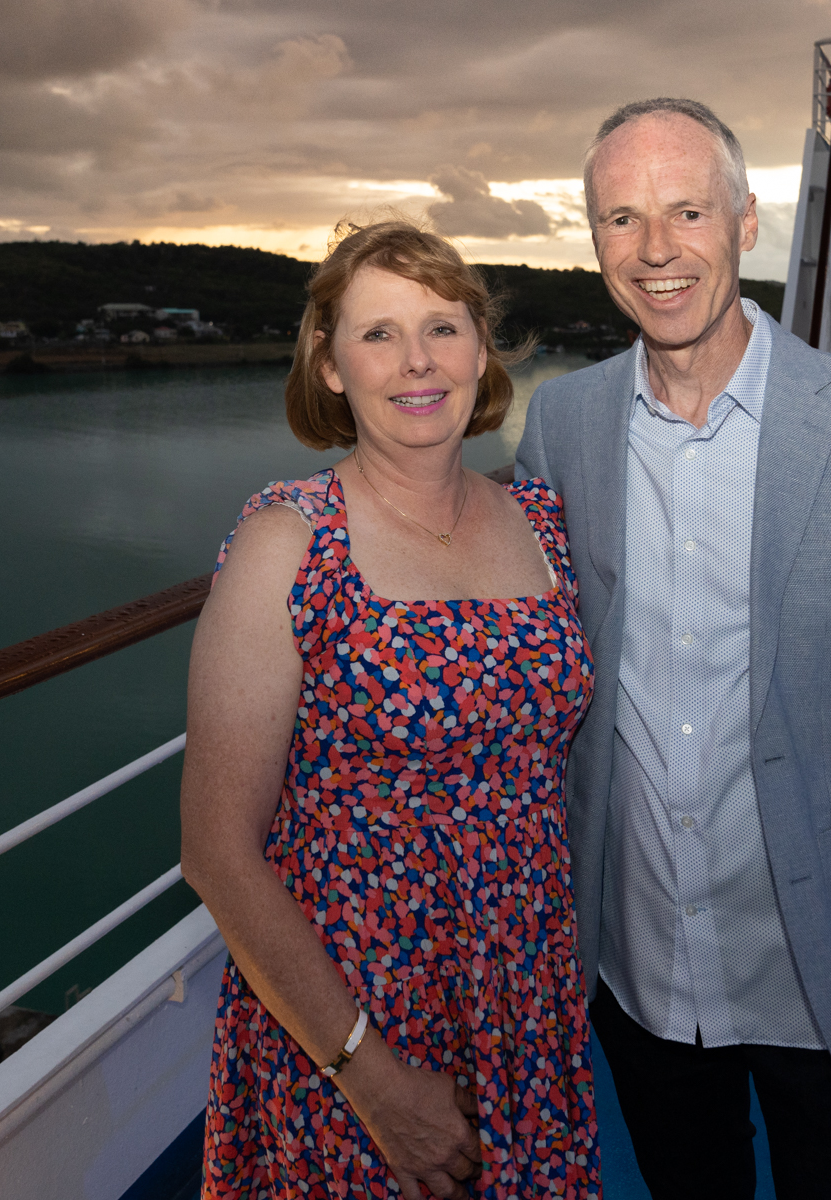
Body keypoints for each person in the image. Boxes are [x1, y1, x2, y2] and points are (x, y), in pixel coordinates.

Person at [514, 98, 831, 1198]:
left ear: (746, 220)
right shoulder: (564, 427)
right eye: (620, 219)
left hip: (825, 975)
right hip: (636, 967)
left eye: (687, 210)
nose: (655, 251)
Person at [181, 220, 598, 1200]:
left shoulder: (544, 523)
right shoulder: (290, 545)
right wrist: (372, 1080)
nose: (417, 362)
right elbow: (216, 849)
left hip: (522, 1002)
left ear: (482, 352)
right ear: (328, 366)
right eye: (377, 334)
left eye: (443, 327)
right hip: (348, 1016)